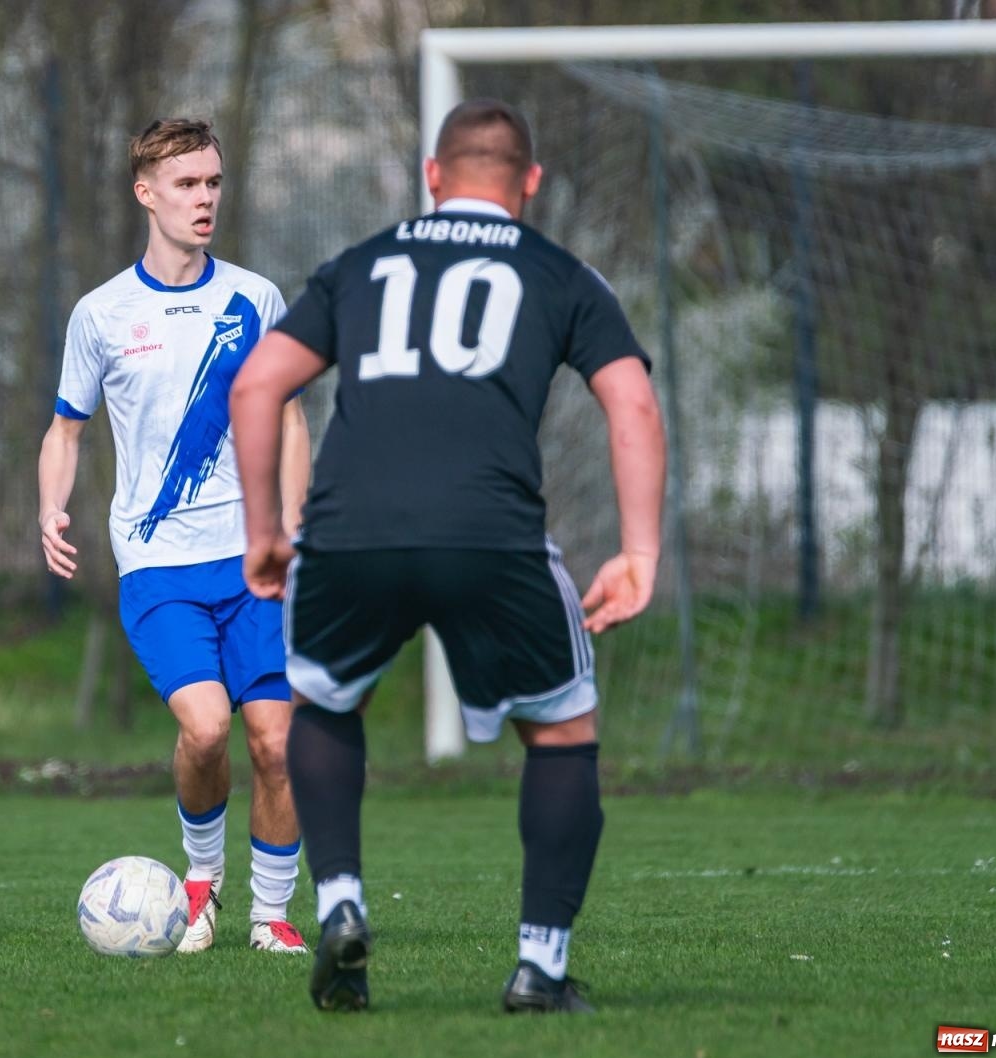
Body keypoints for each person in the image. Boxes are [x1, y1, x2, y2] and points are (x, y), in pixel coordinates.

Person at [228, 99, 667, 1010]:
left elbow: (259, 382)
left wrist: (263, 529)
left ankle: (342, 901)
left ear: (434, 176)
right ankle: (539, 966)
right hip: (489, 534)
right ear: (530, 184)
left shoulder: (361, 264)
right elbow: (632, 404)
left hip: (349, 531)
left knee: (322, 698)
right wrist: (638, 551)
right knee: (561, 729)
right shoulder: (561, 273)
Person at [39, 118, 312, 955]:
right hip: (159, 565)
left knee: (275, 739)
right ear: (145, 192)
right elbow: (65, 430)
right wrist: (51, 507)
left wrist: (293, 525)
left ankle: (271, 917)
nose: (205, 199)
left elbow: (292, 418)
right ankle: (202, 882)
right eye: (188, 184)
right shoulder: (102, 313)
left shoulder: (255, 298)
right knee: (204, 728)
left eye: (214, 183)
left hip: (255, 556)